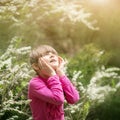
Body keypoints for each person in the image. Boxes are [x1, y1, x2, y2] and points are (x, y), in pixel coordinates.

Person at [28, 45, 80, 120]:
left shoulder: (57, 78)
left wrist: (60, 73)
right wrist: (52, 75)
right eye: (46, 54)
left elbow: (74, 98)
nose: (52, 55)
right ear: (36, 66)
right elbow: (58, 99)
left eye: (53, 53)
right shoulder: (35, 83)